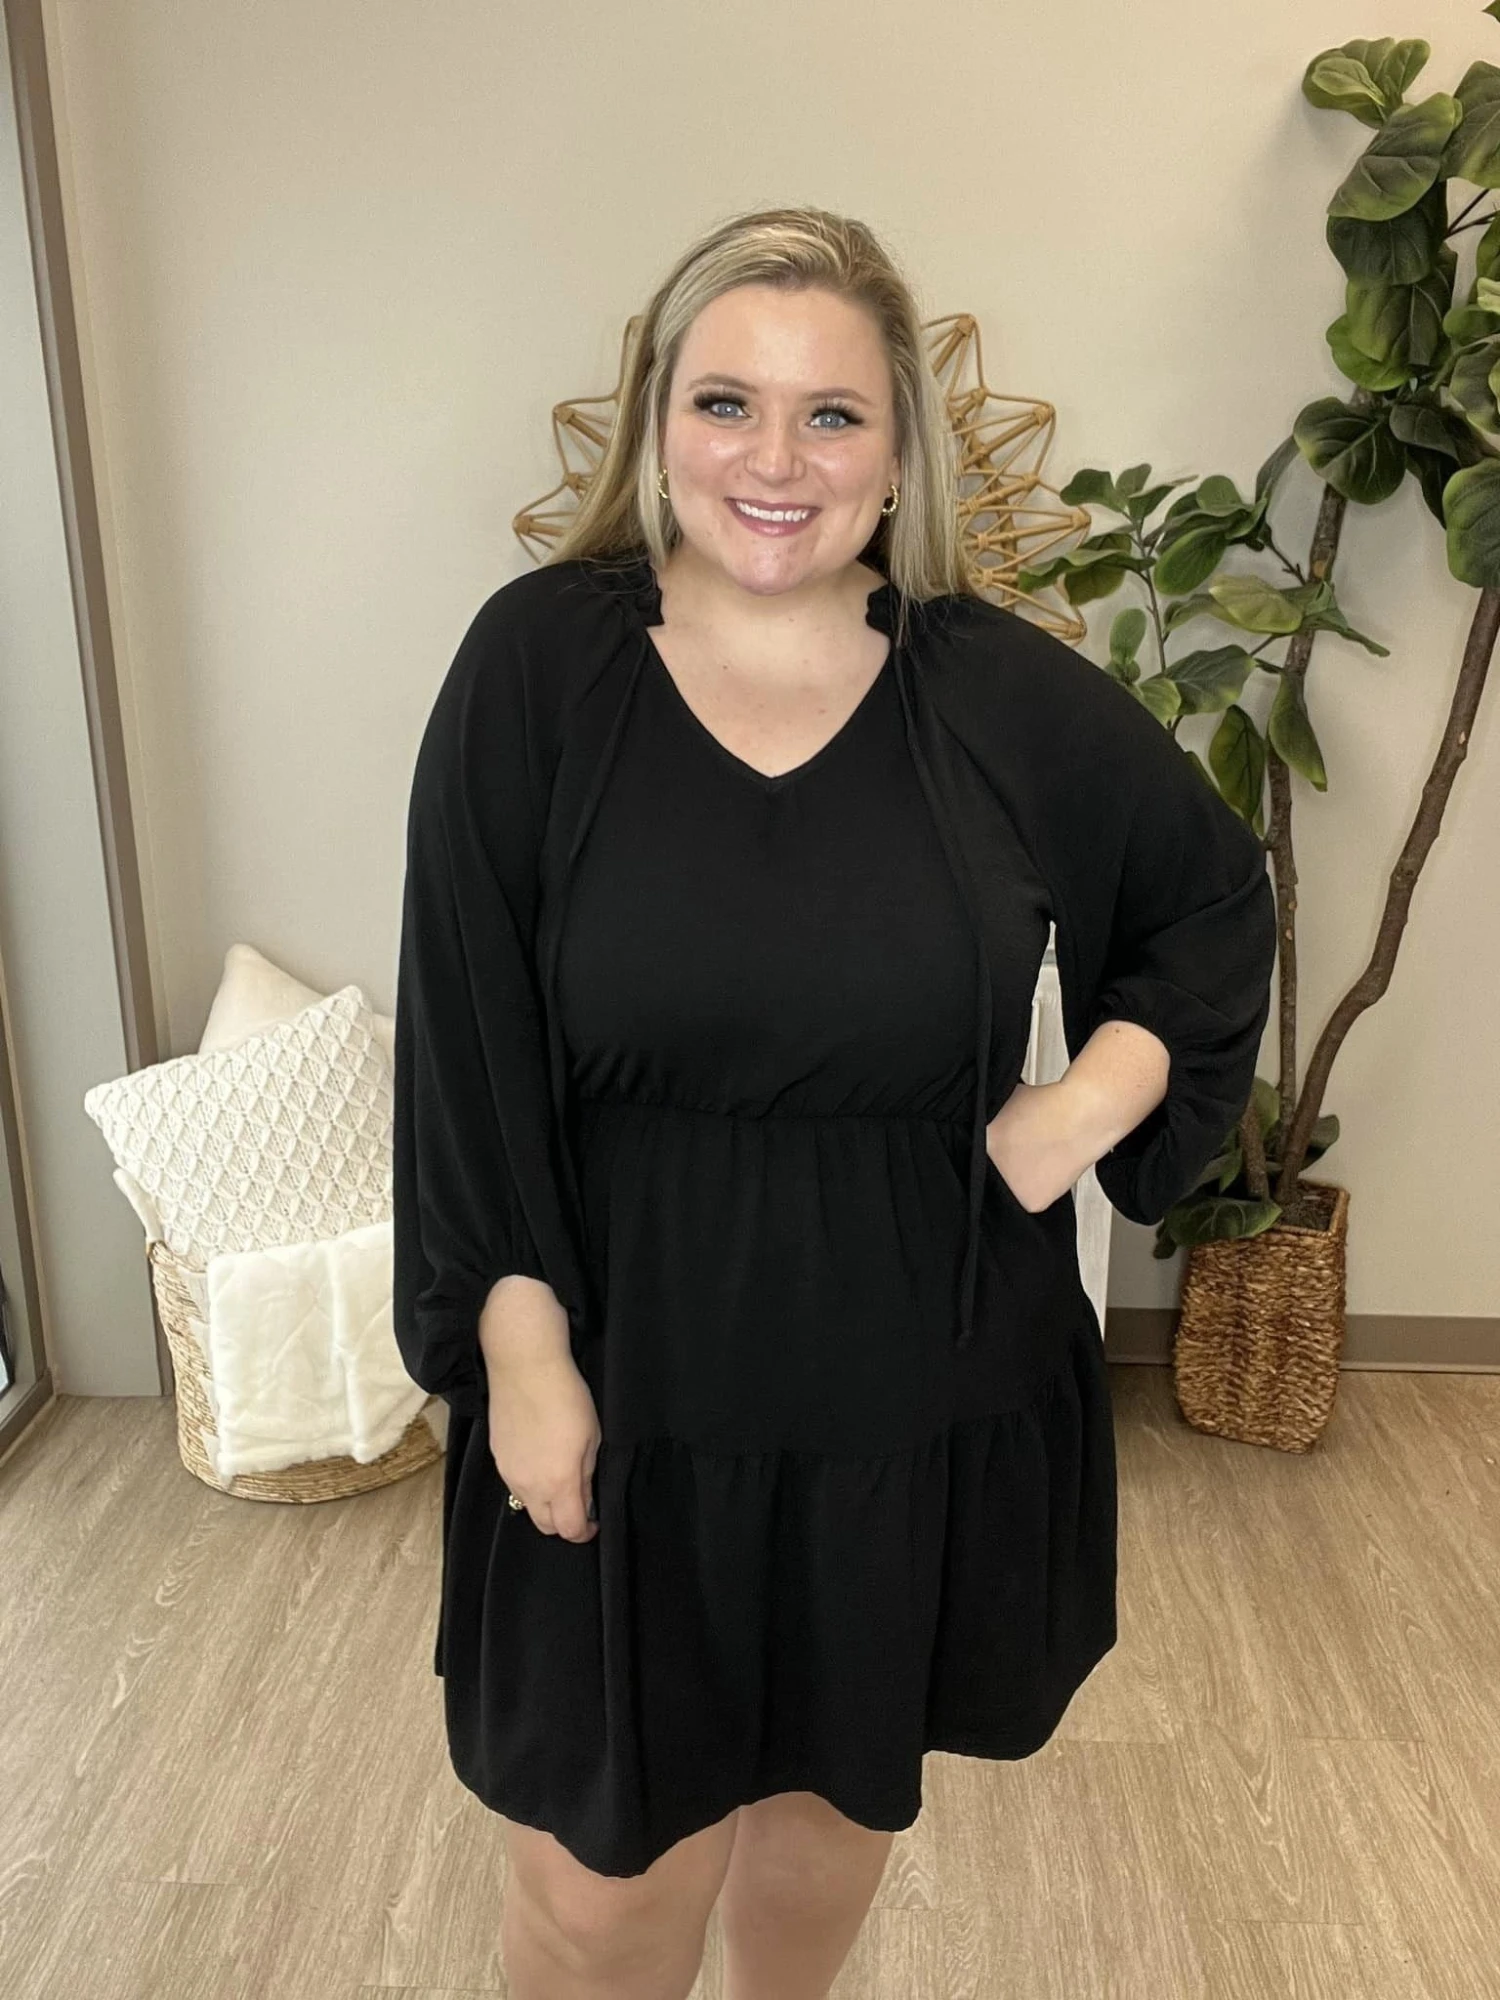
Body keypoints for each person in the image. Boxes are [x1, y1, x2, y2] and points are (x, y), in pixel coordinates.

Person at [392, 205, 1277, 2000]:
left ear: (897, 453)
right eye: (727, 403)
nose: (775, 461)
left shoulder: (988, 691)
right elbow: (461, 1036)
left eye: (832, 415)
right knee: (598, 1895)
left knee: (822, 1824)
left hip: (912, 1378)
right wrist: (518, 1344)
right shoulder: (541, 667)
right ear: (658, 422)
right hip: (626, 1367)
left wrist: (1077, 1112)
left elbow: (1210, 902)